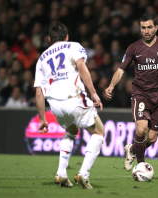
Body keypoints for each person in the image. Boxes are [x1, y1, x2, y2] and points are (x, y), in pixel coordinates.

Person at [105, 14, 158, 172]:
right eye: (143, 27)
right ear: (140, 29)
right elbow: (121, 69)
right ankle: (141, 166)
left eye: (149, 27)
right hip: (140, 94)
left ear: (156, 28)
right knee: (141, 129)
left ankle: (133, 150)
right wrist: (111, 85)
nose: (146, 30)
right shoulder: (133, 48)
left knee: (152, 138)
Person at [34, 22, 105, 189]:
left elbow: (39, 92)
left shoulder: (42, 58)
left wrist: (42, 119)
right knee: (99, 133)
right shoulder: (73, 46)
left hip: (55, 105)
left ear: (49, 39)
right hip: (74, 97)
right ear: (66, 37)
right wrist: (94, 93)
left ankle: (61, 173)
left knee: (71, 130)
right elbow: (81, 67)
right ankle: (83, 174)